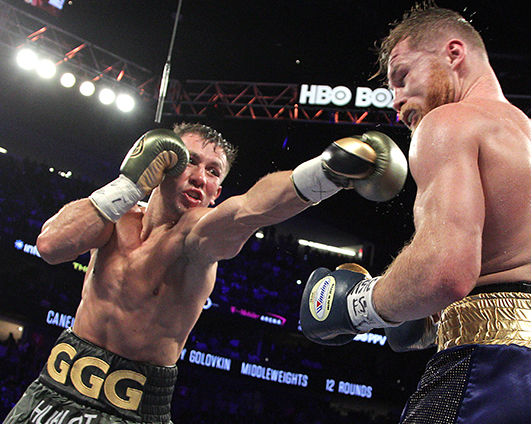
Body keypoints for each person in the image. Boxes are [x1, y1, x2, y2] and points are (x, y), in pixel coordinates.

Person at [298, 3, 531, 423]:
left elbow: (445, 271)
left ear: (454, 53)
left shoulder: (450, 122)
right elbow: (522, 285)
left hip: (501, 373)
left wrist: (357, 305)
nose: (396, 99)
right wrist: (430, 320)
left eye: (403, 76)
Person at [3, 123, 407, 424]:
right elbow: (51, 246)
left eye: (214, 171)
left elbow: (251, 208)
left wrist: (327, 172)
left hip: (130, 409)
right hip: (51, 388)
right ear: (162, 164)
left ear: (217, 192)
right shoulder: (117, 215)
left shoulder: (196, 239)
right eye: (191, 161)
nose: (201, 176)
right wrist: (128, 183)